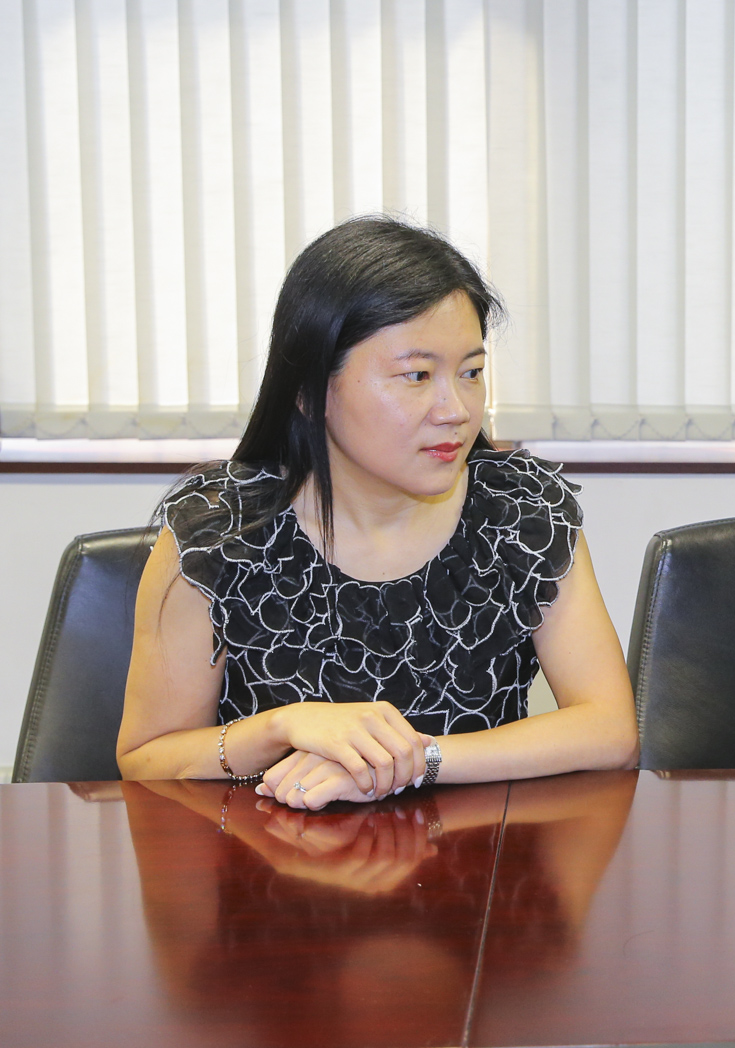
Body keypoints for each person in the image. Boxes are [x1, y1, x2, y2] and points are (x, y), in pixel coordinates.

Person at [117, 216, 639, 808]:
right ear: (310, 390)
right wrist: (281, 728)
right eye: (417, 376)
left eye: (471, 373)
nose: (456, 409)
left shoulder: (519, 510)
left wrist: (413, 763)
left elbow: (610, 730)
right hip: (275, 856)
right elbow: (146, 757)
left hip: (475, 855)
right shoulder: (218, 530)